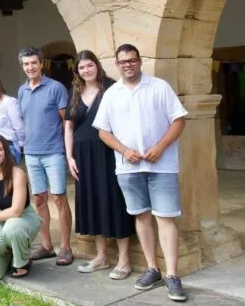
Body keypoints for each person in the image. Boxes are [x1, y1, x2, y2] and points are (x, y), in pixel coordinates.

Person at [94, 44, 189, 302]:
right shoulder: (111, 94)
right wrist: (124, 150)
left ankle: (172, 274)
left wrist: (160, 147)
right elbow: (103, 131)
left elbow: (179, 120)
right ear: (117, 65)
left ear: (139, 61)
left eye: (132, 60)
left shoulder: (159, 87)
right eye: (123, 61)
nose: (128, 65)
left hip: (162, 165)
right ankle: (152, 269)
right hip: (128, 167)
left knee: (166, 217)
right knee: (142, 216)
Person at [64, 50, 134, 280]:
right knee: (92, 203)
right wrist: (70, 157)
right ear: (77, 71)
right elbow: (68, 127)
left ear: (97, 66)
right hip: (82, 156)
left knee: (114, 202)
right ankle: (101, 256)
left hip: (107, 153)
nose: (86, 70)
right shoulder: (75, 91)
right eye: (81, 68)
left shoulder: (112, 88)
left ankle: (124, 260)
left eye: (89, 66)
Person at [17, 45, 74, 265]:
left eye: (34, 63)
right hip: (31, 153)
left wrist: (68, 151)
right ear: (22, 66)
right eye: (26, 64)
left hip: (53, 152)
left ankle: (66, 248)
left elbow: (65, 121)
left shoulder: (56, 88)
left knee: (59, 198)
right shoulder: (22, 91)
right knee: (39, 199)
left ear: (41, 64)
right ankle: (48, 246)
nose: (30, 67)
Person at [0, 134, 42, 279]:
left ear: (6, 152)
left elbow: (16, 211)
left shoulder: (18, 173)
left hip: (22, 217)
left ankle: (22, 263)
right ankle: (9, 255)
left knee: (12, 228)